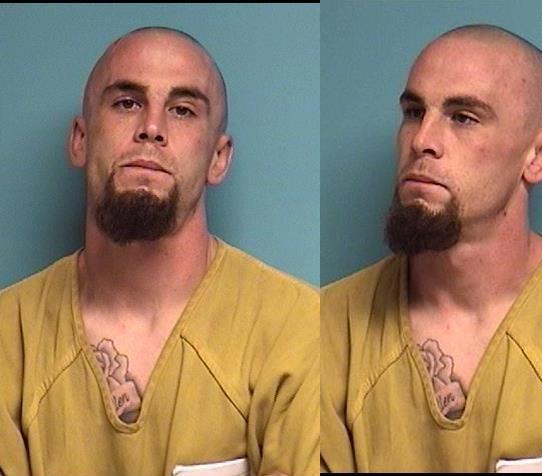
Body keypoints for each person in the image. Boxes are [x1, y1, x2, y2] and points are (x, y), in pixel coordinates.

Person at [320, 24, 542, 473]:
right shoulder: (327, 327)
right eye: (413, 112)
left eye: (463, 117)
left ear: (540, 156)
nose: (422, 140)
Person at [0, 26, 318, 476]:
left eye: (183, 110)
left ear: (218, 158)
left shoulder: (297, 328)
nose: (151, 129)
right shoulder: (9, 336)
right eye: (127, 103)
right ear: (80, 139)